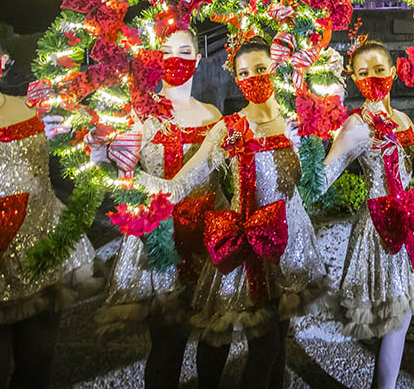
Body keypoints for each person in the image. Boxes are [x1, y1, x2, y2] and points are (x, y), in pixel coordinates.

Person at [131, 36, 328, 389]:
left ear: (276, 68)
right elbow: (178, 186)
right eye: (243, 72)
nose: (253, 77)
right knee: (263, 347)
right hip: (249, 248)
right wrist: (124, 175)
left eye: (261, 69)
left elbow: (316, 184)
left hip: (292, 247)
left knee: (279, 347)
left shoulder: (300, 121)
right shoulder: (228, 127)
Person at [0, 21, 95, 387]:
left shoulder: (36, 110)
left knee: (38, 363)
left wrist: (95, 146)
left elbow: (68, 168)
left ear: (3, 60)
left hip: (39, 253)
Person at [94, 28, 222, 388]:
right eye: (166, 50)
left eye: (185, 51)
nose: (176, 59)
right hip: (162, 241)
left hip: (211, 234)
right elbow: (122, 180)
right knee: (168, 344)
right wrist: (104, 154)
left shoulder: (213, 114)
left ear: (198, 60)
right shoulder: (139, 114)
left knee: (215, 338)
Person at [321, 38, 414, 389]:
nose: (372, 77)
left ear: (393, 71)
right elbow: (324, 178)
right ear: (354, 78)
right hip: (380, 228)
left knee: (401, 317)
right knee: (395, 317)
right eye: (363, 72)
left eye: (378, 70)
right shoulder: (355, 125)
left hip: (408, 224)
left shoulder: (402, 118)